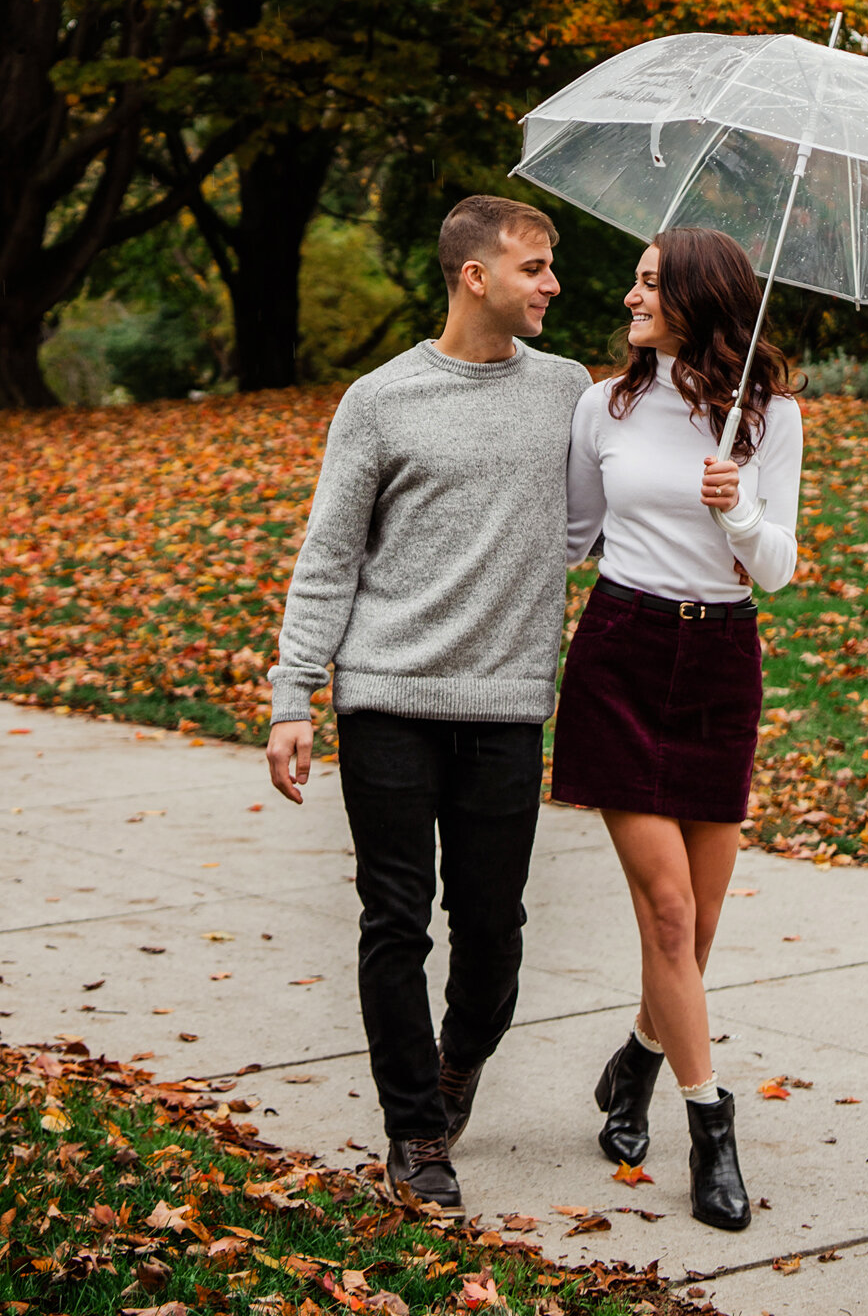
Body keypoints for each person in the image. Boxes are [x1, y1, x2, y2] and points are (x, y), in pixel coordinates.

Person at [265, 195, 591, 1216]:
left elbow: (616, 497)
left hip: (503, 704)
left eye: (553, 267)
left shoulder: (571, 390)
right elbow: (329, 558)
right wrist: (293, 692)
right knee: (394, 917)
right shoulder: (379, 399)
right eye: (534, 267)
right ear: (474, 276)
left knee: (492, 925)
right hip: (389, 700)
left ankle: (459, 1064)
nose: (551, 284)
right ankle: (414, 1126)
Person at [554, 226, 803, 1232]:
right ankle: (710, 1127)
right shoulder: (602, 404)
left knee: (693, 929)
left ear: (701, 298)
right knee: (666, 916)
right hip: (620, 649)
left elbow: (778, 567)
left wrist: (739, 511)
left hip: (718, 665)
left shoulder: (768, 416)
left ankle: (637, 1060)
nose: (628, 295)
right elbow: (569, 537)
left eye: (650, 283)